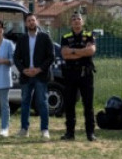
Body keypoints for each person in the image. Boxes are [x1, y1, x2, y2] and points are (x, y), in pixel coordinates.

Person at [13, 13, 55, 140]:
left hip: (40, 75)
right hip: (26, 76)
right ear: (26, 24)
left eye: (33, 20)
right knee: (25, 102)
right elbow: (16, 57)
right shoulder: (22, 39)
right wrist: (23, 70)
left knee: (42, 102)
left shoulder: (45, 38)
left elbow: (51, 56)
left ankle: (44, 130)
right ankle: (24, 129)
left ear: (37, 22)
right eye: (29, 21)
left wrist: (39, 69)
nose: (31, 22)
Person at [60, 12, 97, 141]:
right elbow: (64, 54)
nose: (76, 21)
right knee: (69, 104)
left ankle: (90, 133)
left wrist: (73, 51)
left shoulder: (89, 36)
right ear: (71, 23)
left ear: (83, 22)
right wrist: (82, 52)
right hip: (70, 73)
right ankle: (70, 133)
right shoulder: (65, 37)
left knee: (88, 104)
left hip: (85, 74)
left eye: (79, 19)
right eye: (74, 19)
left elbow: (91, 51)